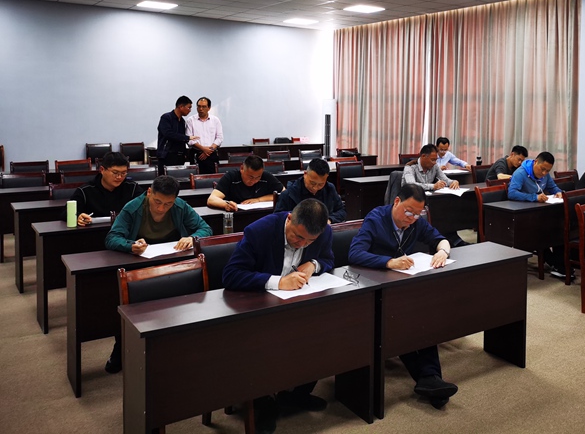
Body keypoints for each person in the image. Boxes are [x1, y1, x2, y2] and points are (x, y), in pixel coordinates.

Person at [223, 199, 334, 433]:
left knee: (325, 333)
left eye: (309, 241)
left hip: (298, 305)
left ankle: (296, 393)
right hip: (260, 308)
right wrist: (278, 282)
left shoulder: (323, 232)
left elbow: (328, 259)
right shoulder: (259, 231)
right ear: (289, 218)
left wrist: (313, 264)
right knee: (265, 343)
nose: (301, 244)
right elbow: (231, 274)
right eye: (298, 237)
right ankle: (264, 403)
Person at [348, 184, 458, 409]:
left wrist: (442, 251)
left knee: (422, 317)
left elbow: (441, 239)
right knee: (401, 323)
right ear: (396, 202)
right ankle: (429, 378)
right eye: (409, 212)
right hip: (376, 289)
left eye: (418, 214)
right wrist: (389, 262)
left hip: (403, 287)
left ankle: (430, 379)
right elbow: (355, 253)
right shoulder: (376, 218)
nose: (412, 218)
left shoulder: (416, 221)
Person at [103, 175, 212, 373]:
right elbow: (112, 237)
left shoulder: (180, 206)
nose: (161, 208)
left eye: (168, 204)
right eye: (157, 202)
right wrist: (130, 245)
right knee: (133, 310)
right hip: (140, 265)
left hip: (172, 264)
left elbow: (205, 229)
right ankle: (120, 351)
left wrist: (192, 238)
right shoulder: (133, 208)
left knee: (180, 309)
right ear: (149, 193)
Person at [63, 152, 144, 226]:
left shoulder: (132, 188)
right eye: (115, 173)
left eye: (123, 173)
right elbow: (65, 212)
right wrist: (78, 216)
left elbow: (146, 206)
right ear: (102, 170)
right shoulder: (85, 191)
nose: (119, 177)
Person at [274, 158, 346, 223]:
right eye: (312, 183)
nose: (315, 188)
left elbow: (342, 211)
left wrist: (330, 220)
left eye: (320, 184)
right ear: (305, 174)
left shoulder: (329, 189)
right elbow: (278, 219)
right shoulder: (289, 194)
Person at [207, 154, 283, 211]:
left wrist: (259, 199)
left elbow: (283, 193)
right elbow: (211, 199)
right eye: (251, 177)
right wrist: (226, 205)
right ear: (242, 169)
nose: (254, 181)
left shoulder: (266, 176)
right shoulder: (231, 177)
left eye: (258, 177)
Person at [156, 95, 198, 175]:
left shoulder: (182, 121)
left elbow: (181, 139)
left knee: (178, 179)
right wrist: (187, 137)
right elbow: (168, 134)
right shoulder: (166, 117)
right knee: (165, 179)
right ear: (181, 107)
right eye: (189, 108)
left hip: (179, 156)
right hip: (166, 155)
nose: (190, 110)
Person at [185, 96, 223, 174]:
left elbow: (219, 138)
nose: (201, 109)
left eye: (204, 107)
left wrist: (208, 151)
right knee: (196, 177)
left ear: (209, 108)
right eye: (199, 106)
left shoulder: (215, 120)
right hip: (196, 154)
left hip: (211, 154)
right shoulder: (191, 120)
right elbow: (189, 140)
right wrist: (203, 149)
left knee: (213, 176)